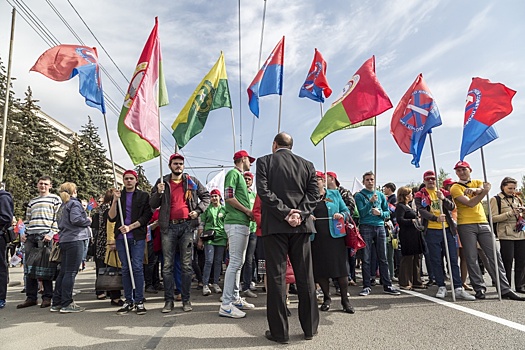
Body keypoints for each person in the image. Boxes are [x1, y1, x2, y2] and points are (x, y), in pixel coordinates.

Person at [256, 132, 319, 344]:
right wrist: (299, 214)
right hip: (301, 227)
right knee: (305, 276)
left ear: (275, 145)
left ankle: (279, 332)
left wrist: (285, 213)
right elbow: (314, 195)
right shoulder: (307, 165)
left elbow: (263, 192)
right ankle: (310, 328)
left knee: (276, 277)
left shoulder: (264, 162)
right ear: (291, 146)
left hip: (275, 225)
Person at [450, 161, 524, 301]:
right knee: (472, 257)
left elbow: (482, 186)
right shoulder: (455, 187)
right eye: (458, 170)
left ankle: (504, 288)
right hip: (466, 224)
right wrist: (484, 192)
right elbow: (471, 203)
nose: (461, 172)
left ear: (470, 170)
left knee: (495, 256)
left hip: (483, 222)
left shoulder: (477, 181)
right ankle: (479, 288)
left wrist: (479, 190)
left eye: (463, 169)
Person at [150, 153, 210, 313]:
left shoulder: (191, 182)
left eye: (181, 163)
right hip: (168, 227)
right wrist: (158, 192)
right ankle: (168, 301)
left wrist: (197, 211)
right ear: (170, 166)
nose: (178, 166)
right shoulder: (162, 182)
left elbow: (206, 197)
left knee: (186, 265)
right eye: (175, 163)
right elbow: (152, 203)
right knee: (167, 265)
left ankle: (186, 299)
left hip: (186, 227)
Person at [415, 171, 475, 300]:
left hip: (448, 230)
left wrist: (443, 198)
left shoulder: (444, 192)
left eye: (433, 179)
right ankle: (441, 286)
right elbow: (421, 210)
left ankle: (458, 287)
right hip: (431, 230)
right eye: (428, 179)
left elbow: (452, 206)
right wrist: (435, 218)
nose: (431, 181)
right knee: (436, 259)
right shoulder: (420, 194)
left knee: (453, 259)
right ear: (424, 180)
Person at [108, 170, 153, 315]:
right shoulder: (118, 196)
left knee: (137, 268)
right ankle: (128, 300)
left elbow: (147, 216)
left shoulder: (143, 196)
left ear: (136, 180)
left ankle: (139, 300)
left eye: (131, 178)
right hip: (121, 239)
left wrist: (130, 227)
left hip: (137, 237)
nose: (128, 181)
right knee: (126, 269)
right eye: (126, 178)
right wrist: (114, 201)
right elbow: (111, 217)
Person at [218, 150, 256, 318]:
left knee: (238, 262)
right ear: (243, 159)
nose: (251, 164)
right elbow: (228, 197)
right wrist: (247, 211)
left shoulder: (238, 175)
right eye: (249, 160)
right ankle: (226, 304)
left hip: (241, 223)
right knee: (234, 263)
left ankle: (234, 297)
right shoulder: (233, 173)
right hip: (236, 222)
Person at [311, 172, 354, 313]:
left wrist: (341, 214)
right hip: (316, 239)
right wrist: (307, 215)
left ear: (324, 181)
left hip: (335, 238)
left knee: (340, 270)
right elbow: (302, 212)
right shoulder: (308, 197)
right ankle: (327, 298)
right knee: (321, 271)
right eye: (314, 179)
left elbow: (346, 210)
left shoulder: (334, 194)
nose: (317, 181)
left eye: (319, 179)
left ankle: (345, 301)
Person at [17, 176, 62, 309]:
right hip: (31, 236)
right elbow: (27, 219)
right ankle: (31, 297)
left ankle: (47, 297)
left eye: (45, 184)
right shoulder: (33, 201)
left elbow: (58, 218)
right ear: (37, 185)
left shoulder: (55, 199)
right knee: (29, 267)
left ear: (50, 186)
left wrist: (51, 233)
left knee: (45, 267)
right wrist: (23, 233)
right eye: (41, 183)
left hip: (45, 236)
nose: (43, 186)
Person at [355, 171, 400, 297]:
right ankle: (366, 285)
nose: (370, 181)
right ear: (363, 181)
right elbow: (361, 213)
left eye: (372, 179)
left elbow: (388, 213)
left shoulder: (381, 195)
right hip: (366, 226)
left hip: (380, 226)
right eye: (367, 179)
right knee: (366, 257)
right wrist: (370, 202)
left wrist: (380, 213)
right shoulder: (359, 196)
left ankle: (387, 284)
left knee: (383, 257)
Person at [50, 182, 92, 313]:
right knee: (70, 272)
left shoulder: (63, 206)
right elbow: (75, 220)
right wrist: (88, 221)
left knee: (63, 272)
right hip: (76, 239)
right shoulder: (74, 203)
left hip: (65, 239)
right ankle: (67, 303)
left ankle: (57, 302)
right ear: (74, 191)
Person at [490, 177, 525, 293]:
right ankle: (506, 287)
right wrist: (510, 213)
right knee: (507, 261)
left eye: (514, 188)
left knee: (521, 260)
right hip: (505, 234)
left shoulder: (517, 199)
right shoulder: (496, 199)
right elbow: (492, 218)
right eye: (510, 188)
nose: (512, 190)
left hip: (520, 233)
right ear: (503, 187)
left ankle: (520, 286)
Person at [395, 186, 426, 291]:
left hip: (415, 234)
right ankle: (404, 281)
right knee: (407, 258)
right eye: (409, 194)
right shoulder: (400, 206)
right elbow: (400, 220)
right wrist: (411, 221)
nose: (411, 195)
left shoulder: (408, 206)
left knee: (416, 258)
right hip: (407, 235)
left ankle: (416, 280)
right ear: (405, 196)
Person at [95, 189, 123, 306]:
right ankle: (114, 295)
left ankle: (101, 290)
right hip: (108, 241)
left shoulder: (101, 208)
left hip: (100, 241)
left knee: (102, 269)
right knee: (112, 268)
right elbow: (110, 225)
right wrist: (112, 241)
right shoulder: (110, 209)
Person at [198, 189, 227, 296]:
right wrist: (200, 239)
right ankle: (205, 284)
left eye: (216, 196)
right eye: (212, 196)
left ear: (220, 197)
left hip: (221, 237)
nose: (214, 198)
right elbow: (201, 224)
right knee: (209, 260)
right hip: (209, 237)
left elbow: (227, 224)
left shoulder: (224, 209)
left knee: (218, 261)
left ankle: (215, 283)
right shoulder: (206, 209)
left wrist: (228, 240)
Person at [241, 171, 258, 298]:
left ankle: (248, 283)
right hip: (241, 228)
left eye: (249, 179)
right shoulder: (239, 195)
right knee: (239, 258)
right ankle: (241, 283)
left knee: (250, 259)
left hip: (253, 230)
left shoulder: (255, 196)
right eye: (245, 179)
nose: (247, 181)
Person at [0, 185, 14, 309]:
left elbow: (6, 217)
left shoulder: (3, 197)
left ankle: (1, 297)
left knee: (1, 267)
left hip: (0, 237)